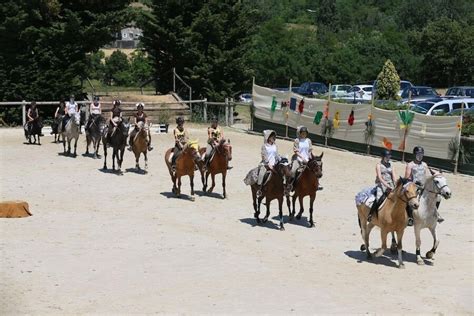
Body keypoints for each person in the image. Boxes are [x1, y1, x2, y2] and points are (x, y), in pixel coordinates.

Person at [404, 146, 443, 226]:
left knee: (438, 197)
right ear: (414, 154)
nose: (420, 155)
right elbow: (407, 178)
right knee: (411, 199)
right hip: (414, 186)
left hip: (424, 186)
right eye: (418, 154)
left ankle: (434, 214)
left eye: (421, 154)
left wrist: (437, 173)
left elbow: (429, 172)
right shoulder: (410, 165)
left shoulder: (424, 164)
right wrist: (414, 183)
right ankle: (410, 217)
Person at [368, 149, 396, 222]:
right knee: (379, 198)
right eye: (387, 157)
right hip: (381, 184)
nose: (388, 158)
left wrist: (395, 184)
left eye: (389, 156)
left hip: (390, 184)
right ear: (383, 157)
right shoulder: (378, 165)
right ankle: (371, 214)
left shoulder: (391, 164)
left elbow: (393, 176)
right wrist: (386, 185)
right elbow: (380, 178)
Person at [256, 130, 281, 197]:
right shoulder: (264, 146)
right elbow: (264, 156)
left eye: (274, 137)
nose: (274, 138)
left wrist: (281, 160)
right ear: (268, 137)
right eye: (272, 136)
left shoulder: (275, 145)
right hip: (266, 164)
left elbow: (277, 155)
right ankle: (259, 189)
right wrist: (268, 164)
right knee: (262, 173)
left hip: (274, 164)